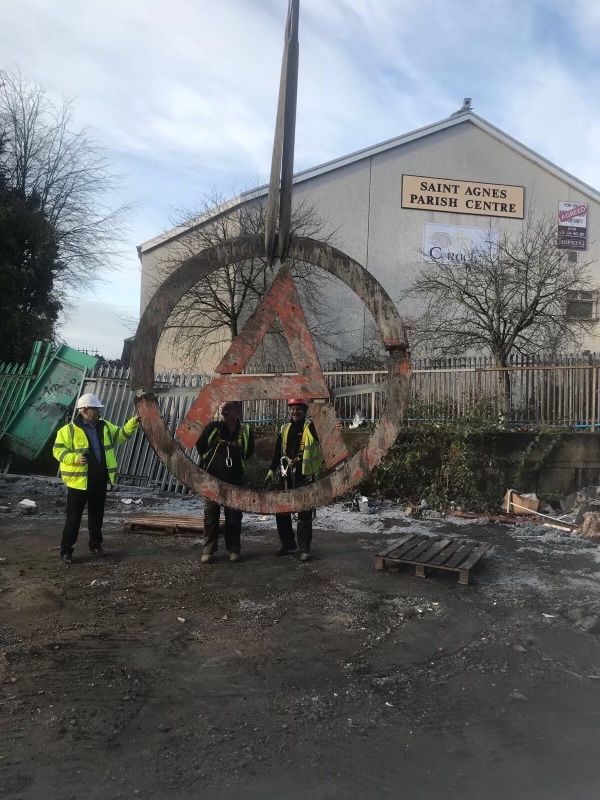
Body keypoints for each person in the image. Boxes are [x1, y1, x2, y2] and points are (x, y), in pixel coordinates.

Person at [53, 393, 139, 564]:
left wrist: (132, 423)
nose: (99, 411)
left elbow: (121, 435)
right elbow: (57, 451)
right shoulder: (68, 430)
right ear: (84, 410)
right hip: (78, 482)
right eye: (96, 409)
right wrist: (74, 459)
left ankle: (96, 545)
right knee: (73, 518)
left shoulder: (104, 426)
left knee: (96, 515)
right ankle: (66, 551)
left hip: (99, 479)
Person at [195, 401, 254, 564]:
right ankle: (208, 550)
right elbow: (200, 446)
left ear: (237, 411)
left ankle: (234, 549)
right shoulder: (213, 428)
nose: (224, 411)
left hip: (235, 480)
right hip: (212, 480)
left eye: (228, 408)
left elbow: (249, 451)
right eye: (223, 408)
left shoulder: (245, 431)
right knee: (211, 515)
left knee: (234, 517)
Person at [266, 398, 323, 561]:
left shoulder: (310, 427)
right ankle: (287, 544)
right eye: (292, 409)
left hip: (304, 475)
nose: (295, 412)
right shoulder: (285, 428)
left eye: (298, 409)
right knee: (282, 510)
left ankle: (304, 548)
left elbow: (322, 436)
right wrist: (271, 469)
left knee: (304, 512)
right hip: (286, 475)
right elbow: (278, 451)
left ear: (304, 411)